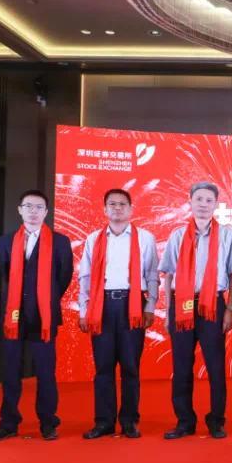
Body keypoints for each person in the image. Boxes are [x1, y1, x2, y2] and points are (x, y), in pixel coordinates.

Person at [158, 181, 232, 440]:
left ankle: (216, 420)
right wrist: (168, 311)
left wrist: (230, 308)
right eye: (199, 199)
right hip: (182, 305)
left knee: (216, 366)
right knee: (182, 365)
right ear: (190, 202)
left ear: (215, 204)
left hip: (213, 305)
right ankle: (185, 421)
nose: (203, 204)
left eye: (209, 200)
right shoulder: (177, 236)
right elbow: (168, 275)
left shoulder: (227, 235)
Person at [0, 190, 73, 442]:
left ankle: (48, 422)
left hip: (44, 316)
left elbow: (64, 277)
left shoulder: (60, 241)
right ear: (19, 210)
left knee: (45, 372)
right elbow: (5, 274)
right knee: (10, 371)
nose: (33, 211)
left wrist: (45, 300)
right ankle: (8, 423)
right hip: (13, 315)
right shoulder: (5, 241)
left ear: (46, 212)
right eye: (28, 206)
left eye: (38, 207)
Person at [77, 188, 159, 439]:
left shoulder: (145, 238)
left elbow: (152, 274)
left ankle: (130, 421)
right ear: (104, 209)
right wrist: (84, 310)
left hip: (132, 305)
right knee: (103, 367)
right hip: (101, 306)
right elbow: (85, 277)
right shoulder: (94, 239)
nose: (117, 208)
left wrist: (150, 306)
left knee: (130, 367)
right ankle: (103, 422)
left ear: (131, 209)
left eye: (122, 204)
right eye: (112, 204)